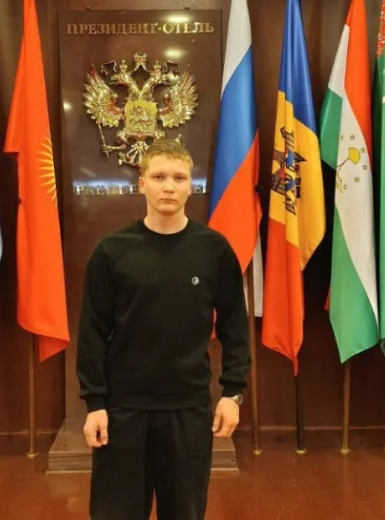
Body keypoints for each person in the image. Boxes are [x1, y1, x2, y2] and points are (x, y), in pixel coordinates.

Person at [76, 139, 251, 520]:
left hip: (188, 408)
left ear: (191, 185)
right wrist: (95, 403)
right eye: (158, 177)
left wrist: (232, 392)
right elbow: (92, 333)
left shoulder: (214, 250)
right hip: (124, 410)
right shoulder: (111, 251)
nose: (168, 186)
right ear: (141, 184)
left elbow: (235, 326)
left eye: (178, 178)